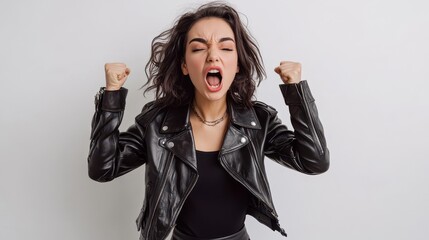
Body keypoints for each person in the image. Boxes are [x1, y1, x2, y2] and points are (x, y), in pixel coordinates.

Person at [88, 2, 329, 240]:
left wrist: (296, 92)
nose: (213, 56)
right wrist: (111, 96)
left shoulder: (257, 122)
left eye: (225, 48)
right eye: (198, 48)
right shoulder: (157, 123)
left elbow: (314, 161)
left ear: (236, 65)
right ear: (184, 65)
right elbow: (103, 169)